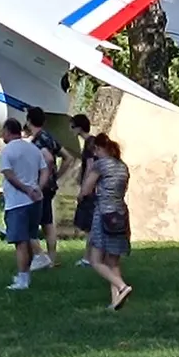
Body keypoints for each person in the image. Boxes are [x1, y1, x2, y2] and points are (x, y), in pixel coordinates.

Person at [80, 133, 133, 309]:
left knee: (95, 260)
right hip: (120, 214)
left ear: (98, 148)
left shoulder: (100, 164)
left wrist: (81, 195)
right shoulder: (122, 166)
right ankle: (116, 300)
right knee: (113, 261)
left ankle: (122, 286)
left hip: (103, 213)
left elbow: (86, 190)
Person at [0, 117, 47, 291]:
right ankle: (26, 273)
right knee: (30, 237)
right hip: (35, 201)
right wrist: (38, 188)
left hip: (17, 202)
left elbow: (9, 175)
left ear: (7, 131)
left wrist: (26, 189)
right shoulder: (33, 148)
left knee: (20, 242)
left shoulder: (7, 151)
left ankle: (22, 279)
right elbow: (45, 169)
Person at [28, 106, 66, 269]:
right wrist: (57, 176)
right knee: (47, 222)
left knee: (31, 221)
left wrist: (47, 174)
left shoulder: (38, 141)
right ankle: (51, 257)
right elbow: (68, 157)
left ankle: (41, 256)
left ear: (29, 121)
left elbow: (49, 159)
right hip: (50, 186)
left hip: (41, 185)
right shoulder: (49, 137)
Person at [68, 113, 96, 267]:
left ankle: (88, 258)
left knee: (90, 226)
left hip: (91, 190)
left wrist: (84, 189)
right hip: (93, 189)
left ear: (79, 127)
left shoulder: (90, 143)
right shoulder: (91, 142)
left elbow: (90, 167)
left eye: (72, 127)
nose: (71, 130)